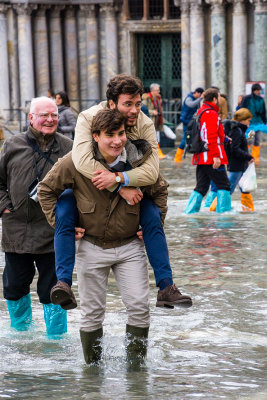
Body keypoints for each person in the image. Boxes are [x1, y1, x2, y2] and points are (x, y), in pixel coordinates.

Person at [48, 74, 192, 312]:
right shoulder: (87, 118)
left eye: (138, 103)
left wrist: (119, 179)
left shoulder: (143, 123)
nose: (135, 110)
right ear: (112, 103)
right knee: (64, 206)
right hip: (91, 206)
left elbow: (153, 174)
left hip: (129, 209)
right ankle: (63, 282)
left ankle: (166, 287)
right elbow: (82, 162)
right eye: (128, 104)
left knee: (153, 213)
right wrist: (120, 187)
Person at [38, 108, 169, 364]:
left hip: (130, 246)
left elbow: (161, 189)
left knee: (140, 309)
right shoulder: (74, 162)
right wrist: (60, 224)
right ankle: (92, 373)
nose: (117, 141)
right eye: (110, 135)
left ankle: (136, 371)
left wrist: (155, 222)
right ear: (95, 136)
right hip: (91, 245)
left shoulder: (139, 160)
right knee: (91, 314)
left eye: (121, 134)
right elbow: (45, 190)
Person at [0, 96, 73, 335]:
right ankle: (21, 336)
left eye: (53, 115)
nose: (50, 120)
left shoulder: (68, 147)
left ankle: (56, 339)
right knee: (14, 286)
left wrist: (75, 220)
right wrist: (4, 206)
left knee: (54, 288)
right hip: (16, 229)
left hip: (54, 230)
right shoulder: (12, 144)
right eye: (44, 115)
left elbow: (82, 187)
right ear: (31, 118)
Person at [184, 88, 231, 214]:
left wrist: (224, 139)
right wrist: (216, 156)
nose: (220, 100)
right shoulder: (211, 113)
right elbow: (210, 135)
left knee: (201, 187)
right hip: (211, 156)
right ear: (214, 99)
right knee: (224, 185)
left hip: (201, 156)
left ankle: (189, 212)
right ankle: (225, 216)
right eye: (219, 97)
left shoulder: (201, 111)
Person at [206, 108, 255, 212]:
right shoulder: (237, 131)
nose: (249, 123)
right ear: (242, 120)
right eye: (248, 120)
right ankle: (213, 208)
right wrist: (248, 157)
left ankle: (249, 210)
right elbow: (235, 149)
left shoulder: (239, 130)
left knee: (245, 188)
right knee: (228, 189)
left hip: (241, 165)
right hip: (236, 166)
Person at [174, 87, 204, 162]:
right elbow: (191, 105)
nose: (200, 97)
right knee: (185, 139)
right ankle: (177, 158)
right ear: (197, 93)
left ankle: (180, 156)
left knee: (189, 139)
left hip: (190, 122)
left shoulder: (194, 98)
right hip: (186, 122)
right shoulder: (189, 98)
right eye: (200, 95)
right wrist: (200, 99)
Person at [240, 83, 267, 162]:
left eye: (260, 90)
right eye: (258, 90)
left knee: (257, 140)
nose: (259, 92)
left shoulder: (261, 99)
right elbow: (242, 109)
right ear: (254, 90)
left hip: (259, 123)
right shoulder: (247, 99)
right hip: (250, 124)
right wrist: (243, 120)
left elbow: (263, 112)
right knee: (249, 139)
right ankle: (245, 156)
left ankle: (255, 158)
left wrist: (265, 121)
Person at [142, 83, 166, 159]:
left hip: (157, 121)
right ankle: (155, 153)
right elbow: (142, 109)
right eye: (157, 90)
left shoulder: (158, 98)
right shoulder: (147, 98)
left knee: (157, 138)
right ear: (152, 90)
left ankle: (157, 153)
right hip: (150, 120)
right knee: (152, 138)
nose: (159, 92)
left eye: (159, 90)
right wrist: (152, 112)